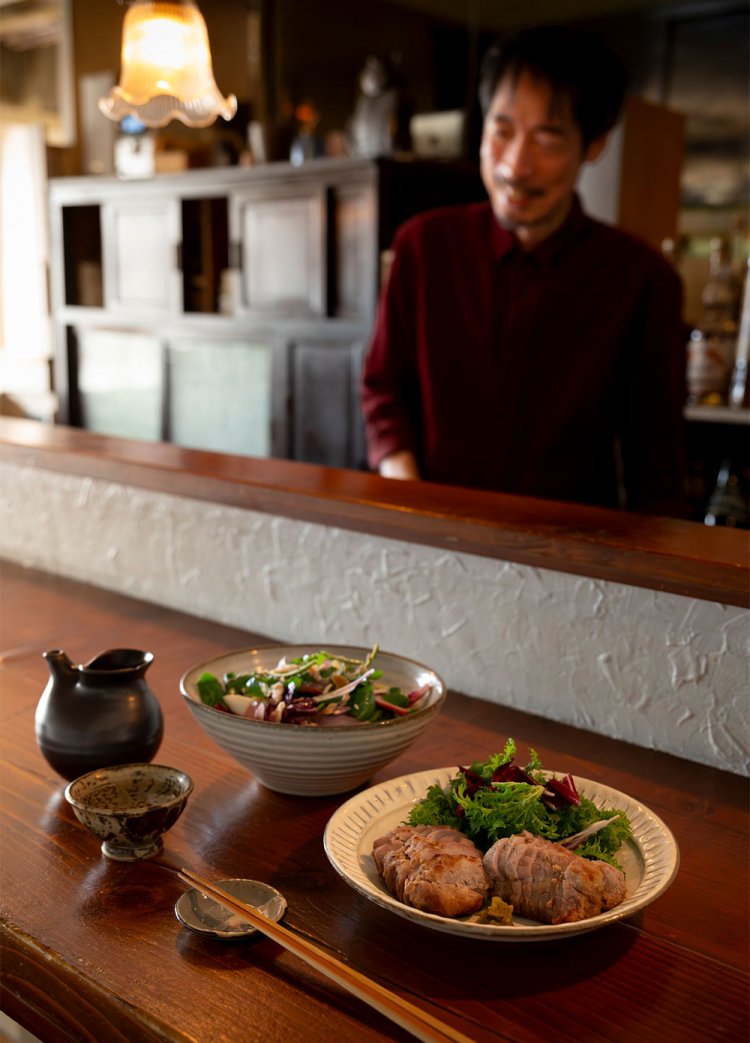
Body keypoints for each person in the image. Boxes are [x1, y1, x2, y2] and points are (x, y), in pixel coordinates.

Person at [360, 25, 688, 515]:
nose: (515, 165)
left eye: (548, 140)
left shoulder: (642, 281)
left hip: (572, 559)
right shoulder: (424, 248)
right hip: (433, 539)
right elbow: (384, 393)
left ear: (594, 144)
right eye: (502, 131)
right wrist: (411, 498)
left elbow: (655, 466)